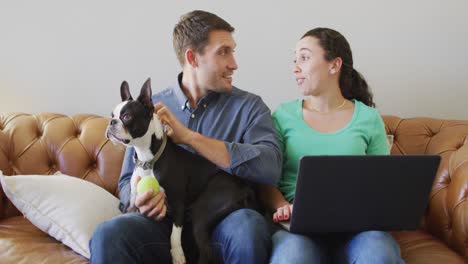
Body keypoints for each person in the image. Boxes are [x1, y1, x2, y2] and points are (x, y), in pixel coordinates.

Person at [90, 10, 282, 264]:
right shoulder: (147, 110)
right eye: (224, 52)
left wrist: (190, 138)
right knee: (108, 234)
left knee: (249, 227)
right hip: (163, 224)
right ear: (192, 57)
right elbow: (126, 180)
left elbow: (270, 167)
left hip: (225, 221)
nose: (234, 63)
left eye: (232, 51)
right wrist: (139, 199)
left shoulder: (249, 107)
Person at [259, 28, 404, 263]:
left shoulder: (368, 118)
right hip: (298, 228)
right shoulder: (283, 116)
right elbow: (267, 181)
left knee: (378, 254)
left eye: (304, 58)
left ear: (334, 65)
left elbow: (382, 184)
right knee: (292, 258)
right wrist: (283, 206)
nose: (295, 67)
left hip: (358, 228)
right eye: (294, 59)